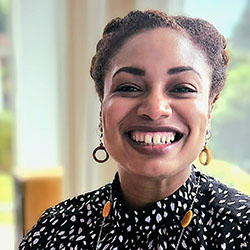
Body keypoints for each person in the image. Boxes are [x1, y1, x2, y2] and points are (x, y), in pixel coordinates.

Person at [19, 10, 250, 250]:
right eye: (129, 87)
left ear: (209, 110)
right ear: (102, 107)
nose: (154, 108)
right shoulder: (54, 230)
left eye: (182, 88)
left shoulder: (242, 230)